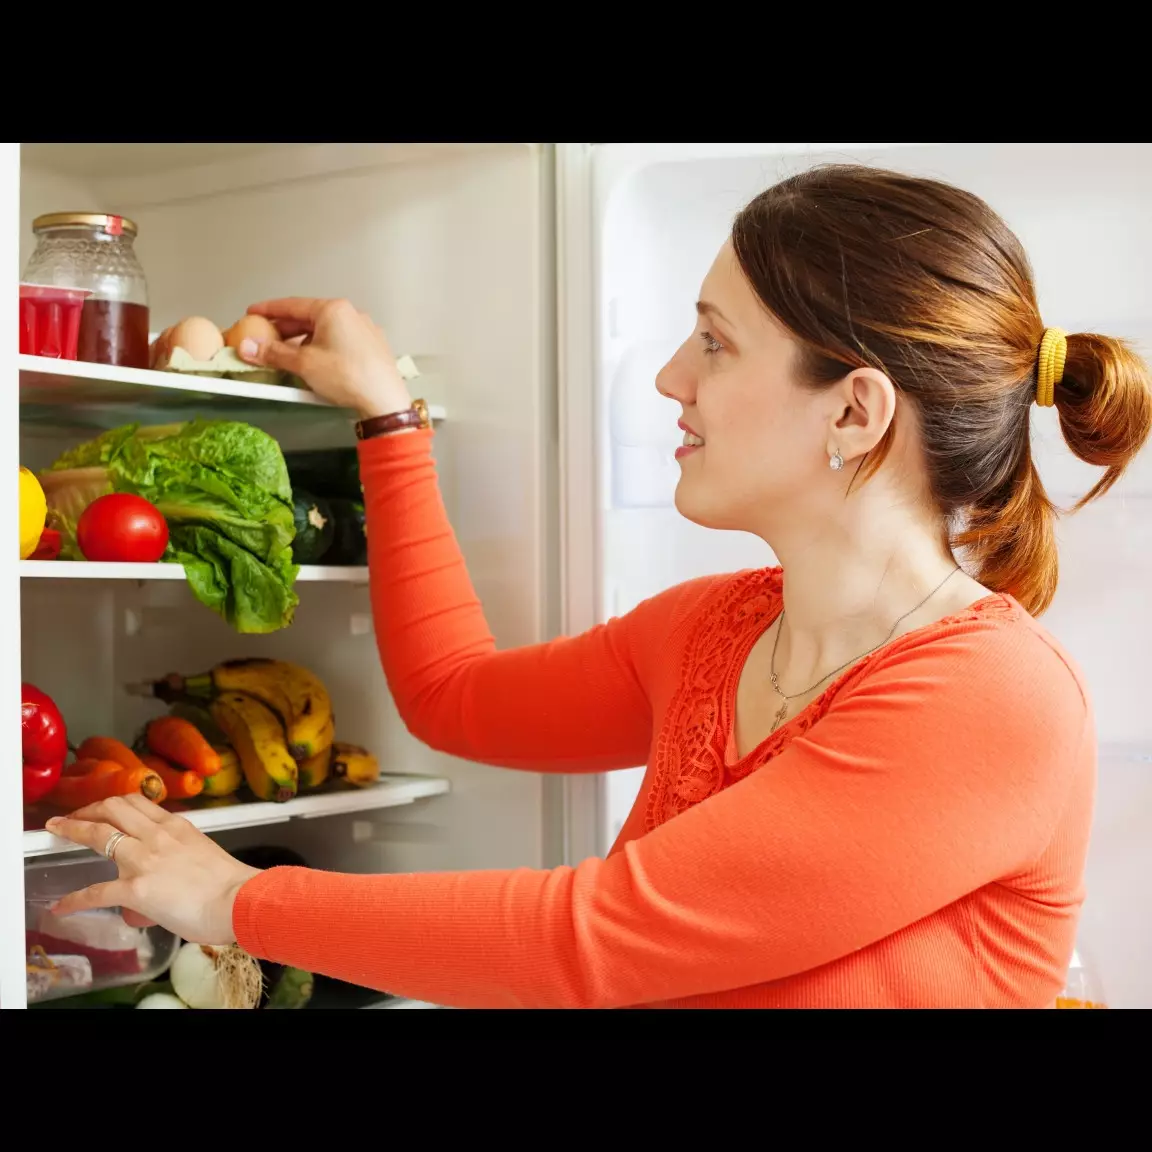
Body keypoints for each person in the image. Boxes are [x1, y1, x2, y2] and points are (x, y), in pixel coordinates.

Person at [46, 164, 1152, 1010]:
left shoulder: (988, 699)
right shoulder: (715, 630)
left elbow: (598, 937)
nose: (671, 376)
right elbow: (453, 695)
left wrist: (238, 899)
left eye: (714, 344)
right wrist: (389, 417)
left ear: (854, 412)